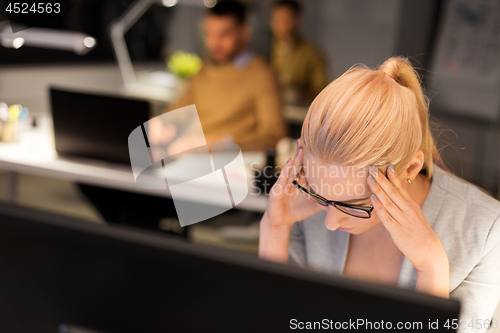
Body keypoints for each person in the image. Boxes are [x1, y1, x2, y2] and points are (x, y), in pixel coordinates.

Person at [258, 57, 500, 328]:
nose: (330, 221)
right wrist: (275, 226)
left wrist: (432, 267)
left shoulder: (486, 232)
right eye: (319, 194)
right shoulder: (306, 207)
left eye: (353, 205)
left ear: (410, 168)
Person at [154, 0, 287, 152]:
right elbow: (180, 109)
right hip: (188, 154)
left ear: (244, 32)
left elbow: (273, 135)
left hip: (227, 162)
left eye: (224, 35)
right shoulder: (205, 69)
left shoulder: (261, 75)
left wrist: (220, 143)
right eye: (209, 34)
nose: (213, 43)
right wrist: (162, 122)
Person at [269, 0, 328, 105]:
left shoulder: (310, 52)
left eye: (286, 20)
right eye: (277, 20)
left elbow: (321, 87)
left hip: (297, 109)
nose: (281, 26)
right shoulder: (266, 47)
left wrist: (300, 94)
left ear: (297, 20)